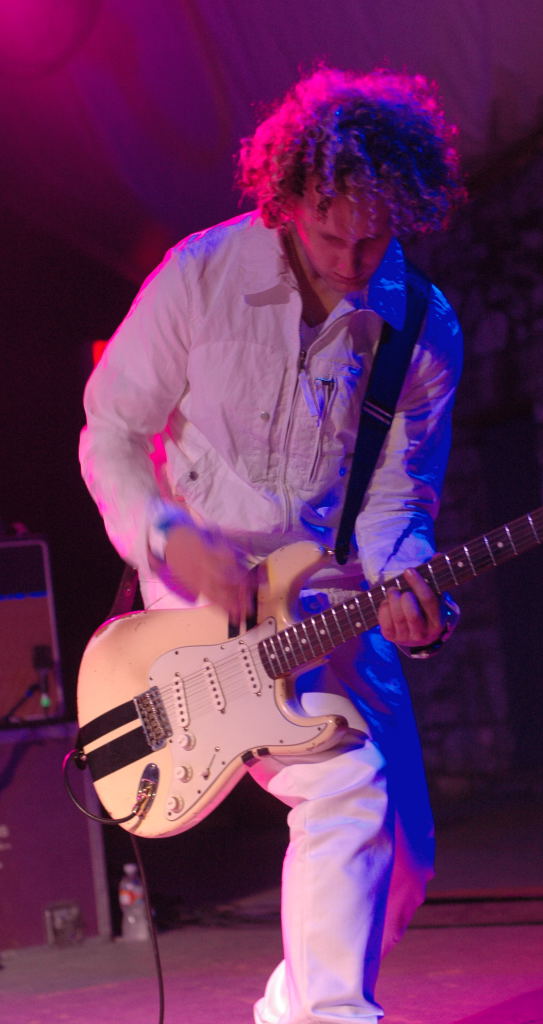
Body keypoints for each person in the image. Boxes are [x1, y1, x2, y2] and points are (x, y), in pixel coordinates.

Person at [80, 66, 464, 1024]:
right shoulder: (199, 278)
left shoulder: (424, 330)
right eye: (331, 234)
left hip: (333, 592)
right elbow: (111, 431)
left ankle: (291, 1008)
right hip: (202, 597)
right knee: (346, 785)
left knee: (402, 862)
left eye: (375, 237)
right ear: (286, 198)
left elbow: (397, 498)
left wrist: (406, 580)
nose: (352, 260)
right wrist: (166, 535)